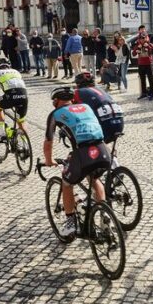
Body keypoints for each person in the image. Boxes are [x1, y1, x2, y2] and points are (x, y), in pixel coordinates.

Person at [43, 86, 109, 239]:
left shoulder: (55, 114)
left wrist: (48, 161)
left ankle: (70, 222)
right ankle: (104, 214)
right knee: (94, 179)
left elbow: (48, 142)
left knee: (66, 183)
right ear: (72, 99)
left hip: (83, 154)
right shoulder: (85, 106)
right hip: (102, 150)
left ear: (56, 101)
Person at [73, 71, 125, 145]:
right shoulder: (101, 90)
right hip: (120, 125)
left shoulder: (78, 92)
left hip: (104, 128)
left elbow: (72, 109)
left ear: (78, 84)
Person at [0, 58, 29, 134]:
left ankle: (1, 133)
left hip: (11, 95)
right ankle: (24, 141)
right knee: (21, 120)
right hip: (24, 96)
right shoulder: (16, 72)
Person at [131, 27, 153, 100]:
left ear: (146, 38)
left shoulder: (149, 44)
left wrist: (148, 47)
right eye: (141, 38)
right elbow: (133, 53)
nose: (142, 39)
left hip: (148, 63)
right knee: (142, 79)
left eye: (143, 38)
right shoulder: (138, 45)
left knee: (150, 79)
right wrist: (137, 50)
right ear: (139, 39)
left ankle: (151, 93)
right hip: (141, 64)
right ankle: (144, 93)